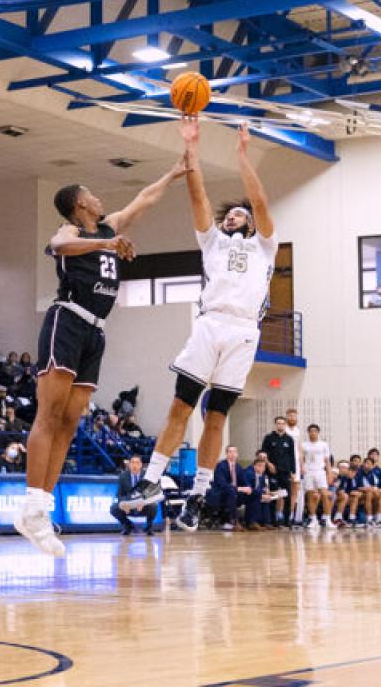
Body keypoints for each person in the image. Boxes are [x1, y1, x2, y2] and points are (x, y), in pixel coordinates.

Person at [14, 154, 187, 557]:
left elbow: (143, 200)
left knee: (72, 421)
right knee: (49, 415)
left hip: (96, 331)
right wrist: (106, 243)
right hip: (67, 321)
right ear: (80, 204)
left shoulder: (108, 226)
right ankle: (32, 507)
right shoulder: (71, 231)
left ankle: (42, 507)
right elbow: (58, 245)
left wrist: (173, 172)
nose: (97, 196)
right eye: (90, 193)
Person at [121, 121, 277, 530]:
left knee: (217, 416)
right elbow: (199, 195)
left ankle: (198, 495)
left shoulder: (264, 246)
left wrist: (243, 157)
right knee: (180, 406)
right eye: (232, 214)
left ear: (250, 223)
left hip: (243, 332)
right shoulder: (212, 241)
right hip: (210, 324)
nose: (237, 215)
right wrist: (191, 148)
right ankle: (152, 480)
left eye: (242, 213)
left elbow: (260, 201)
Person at [260, 415, 296, 528]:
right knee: (273, 496)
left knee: (287, 496)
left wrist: (293, 472)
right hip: (272, 472)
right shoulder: (269, 438)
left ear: (285, 425)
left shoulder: (289, 439)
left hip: (285, 472)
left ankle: (286, 520)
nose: (280, 425)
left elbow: (292, 456)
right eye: (278, 423)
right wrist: (268, 464)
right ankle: (273, 520)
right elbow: (263, 454)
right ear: (275, 425)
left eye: (282, 423)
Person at [109, 455, 158, 536]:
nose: (135, 465)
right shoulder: (123, 476)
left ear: (141, 465)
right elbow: (119, 495)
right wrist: (124, 504)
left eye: (137, 463)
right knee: (113, 508)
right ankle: (128, 526)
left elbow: (151, 494)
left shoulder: (147, 476)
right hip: (129, 504)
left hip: (143, 505)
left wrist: (143, 502)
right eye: (132, 463)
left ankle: (149, 528)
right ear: (129, 464)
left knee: (154, 506)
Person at [301, 424, 334, 532]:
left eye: (315, 431)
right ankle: (313, 519)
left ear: (318, 432)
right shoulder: (304, 445)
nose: (313, 433)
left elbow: (327, 460)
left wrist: (329, 474)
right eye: (311, 431)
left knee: (325, 495)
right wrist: (302, 469)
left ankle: (328, 519)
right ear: (308, 432)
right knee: (310, 497)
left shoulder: (323, 445)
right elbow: (301, 459)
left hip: (320, 471)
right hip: (308, 472)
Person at [211, 445, 248, 531]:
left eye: (234, 451)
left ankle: (252, 521)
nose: (232, 454)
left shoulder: (238, 467)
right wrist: (237, 489)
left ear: (237, 454)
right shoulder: (220, 466)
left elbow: (244, 481)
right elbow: (222, 484)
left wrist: (248, 487)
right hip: (221, 493)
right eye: (230, 452)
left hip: (235, 492)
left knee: (254, 493)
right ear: (226, 454)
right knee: (231, 491)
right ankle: (234, 522)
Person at [284, 408, 304, 527]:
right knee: (284, 491)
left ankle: (291, 515)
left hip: (296, 463)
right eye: (290, 416)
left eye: (294, 416)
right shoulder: (284, 429)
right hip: (286, 463)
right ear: (287, 417)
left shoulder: (297, 430)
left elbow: (300, 448)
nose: (292, 418)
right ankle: (280, 515)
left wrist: (302, 465)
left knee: (294, 491)